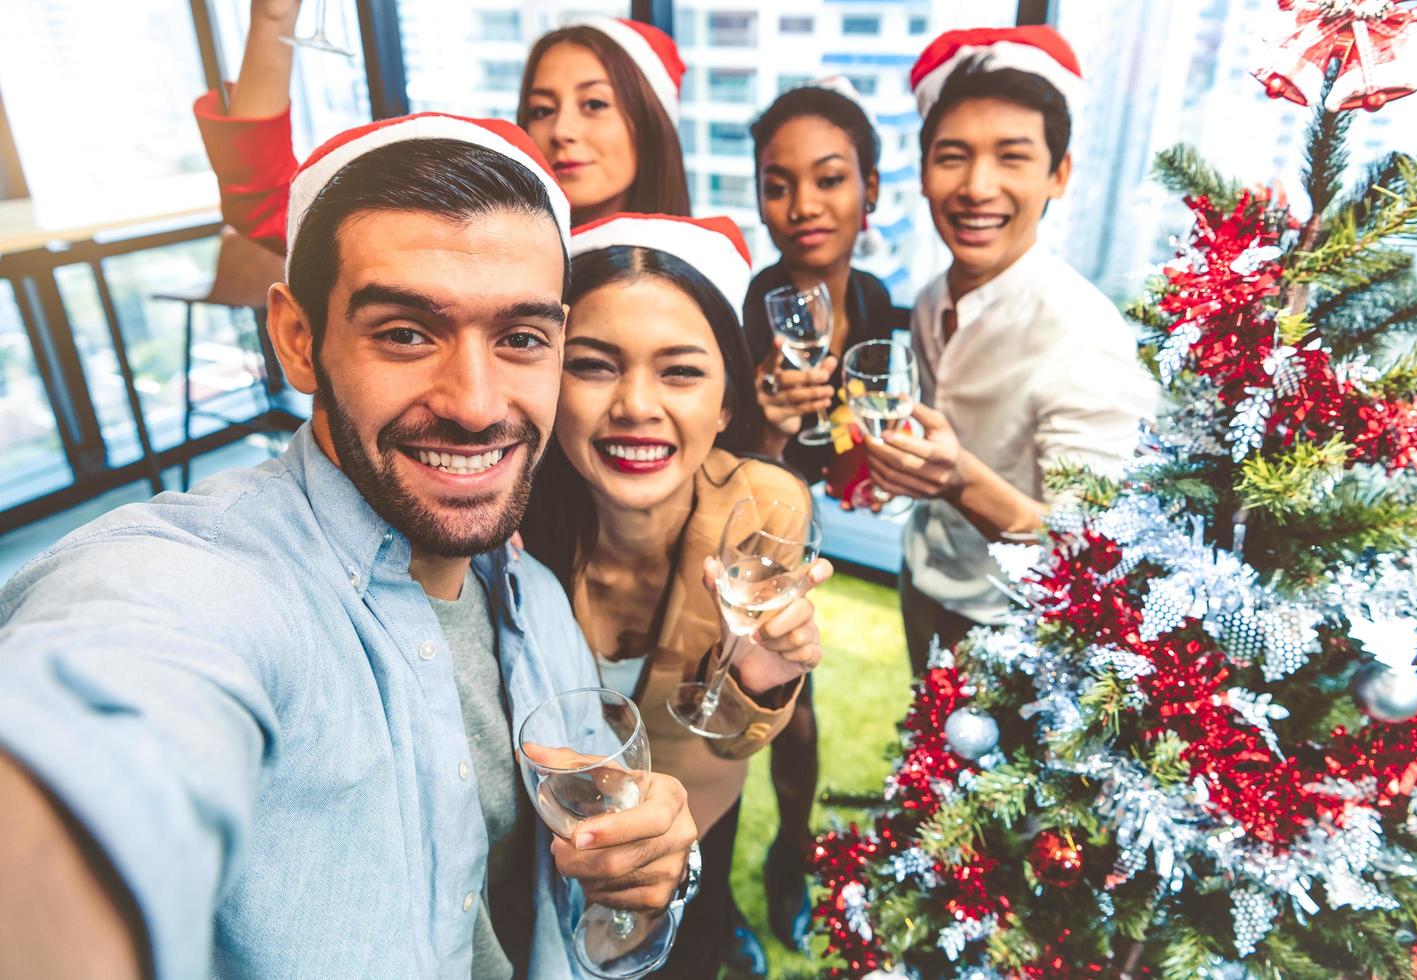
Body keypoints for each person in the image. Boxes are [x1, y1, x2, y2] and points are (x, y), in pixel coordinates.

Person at [0, 115, 709, 980]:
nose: (477, 403)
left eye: (520, 337)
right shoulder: (209, 581)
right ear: (299, 340)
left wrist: (650, 863)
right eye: (407, 333)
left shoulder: (535, 598)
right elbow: (118, 694)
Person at [520, 213, 827, 977]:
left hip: (697, 806)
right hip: (547, 835)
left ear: (726, 403)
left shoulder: (768, 505)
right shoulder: (505, 514)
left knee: (695, 933)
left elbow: (728, 737)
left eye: (681, 372)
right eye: (593, 365)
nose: (635, 405)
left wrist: (760, 678)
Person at [862, 27, 1157, 674]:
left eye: (1012, 156)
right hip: (924, 576)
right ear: (922, 173)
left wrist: (959, 480)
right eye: (952, 156)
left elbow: (1088, 551)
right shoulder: (933, 294)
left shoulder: (1083, 332)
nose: (976, 186)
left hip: (1019, 624)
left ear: (1059, 174)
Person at [738, 78, 907, 950]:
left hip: (811, 519)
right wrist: (765, 428)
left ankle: (790, 856)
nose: (803, 204)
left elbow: (855, 427)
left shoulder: (875, 300)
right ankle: (726, 891)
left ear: (870, 191)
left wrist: (870, 463)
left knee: (796, 699)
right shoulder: (740, 308)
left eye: (830, 178)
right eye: (778, 183)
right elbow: (720, 474)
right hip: (735, 528)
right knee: (762, 702)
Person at [194, 1, 689, 255]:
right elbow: (268, 202)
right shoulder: (482, 242)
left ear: (650, 122)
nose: (562, 130)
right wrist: (271, 18)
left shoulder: (701, 265)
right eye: (541, 110)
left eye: (595, 103)